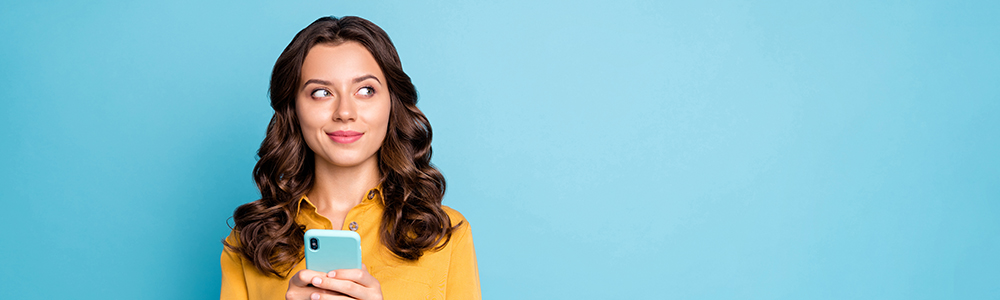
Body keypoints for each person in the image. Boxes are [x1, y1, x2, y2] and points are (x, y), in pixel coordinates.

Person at [220, 16, 480, 300]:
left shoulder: (446, 234)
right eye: (321, 93)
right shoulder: (250, 239)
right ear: (294, 108)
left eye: (366, 90)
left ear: (392, 103)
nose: (345, 112)